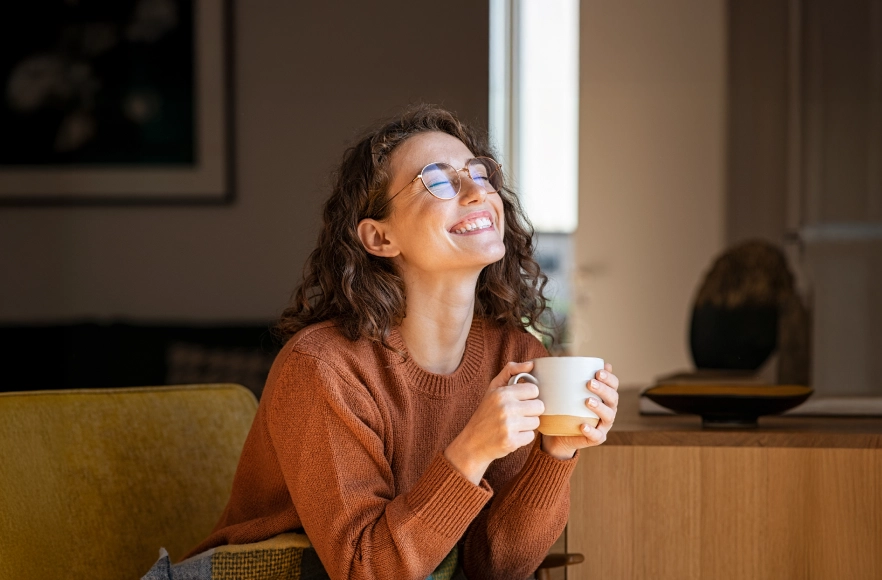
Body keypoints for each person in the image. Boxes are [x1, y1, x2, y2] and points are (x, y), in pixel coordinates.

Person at [184, 105, 620, 579]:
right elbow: (362, 570)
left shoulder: (516, 357)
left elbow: (490, 568)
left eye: (480, 173)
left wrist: (555, 453)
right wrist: (470, 451)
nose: (477, 191)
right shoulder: (323, 368)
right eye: (438, 180)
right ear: (379, 237)